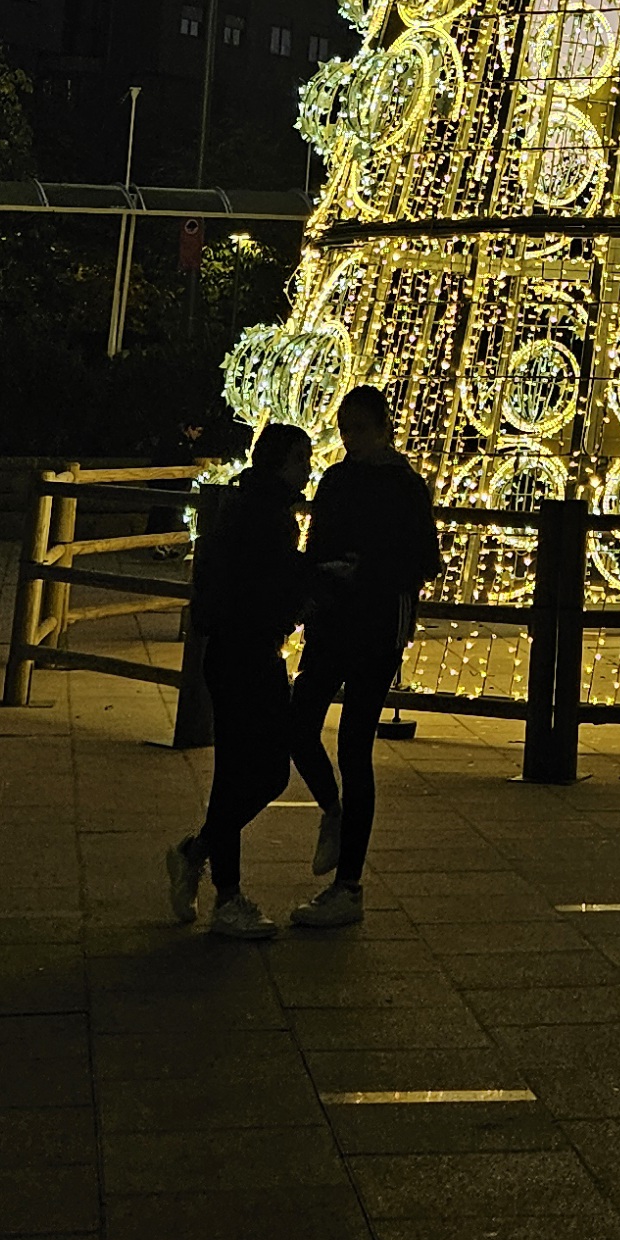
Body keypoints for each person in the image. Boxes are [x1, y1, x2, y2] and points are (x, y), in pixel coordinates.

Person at [286, 383, 442, 932]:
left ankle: (348, 883)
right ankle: (334, 811)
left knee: (356, 745)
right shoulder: (337, 479)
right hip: (333, 621)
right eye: (345, 427)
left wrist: (366, 571)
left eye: (359, 427)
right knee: (298, 721)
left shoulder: (403, 486)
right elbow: (317, 543)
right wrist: (317, 584)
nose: (350, 438)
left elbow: (425, 558)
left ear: (382, 429)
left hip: (377, 626)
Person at [165, 419, 310, 939]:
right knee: (260, 770)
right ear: (279, 463)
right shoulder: (266, 516)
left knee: (246, 770)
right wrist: (308, 583)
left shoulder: (247, 508)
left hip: (238, 650)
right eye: (300, 459)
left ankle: (204, 861)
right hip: (247, 650)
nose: (307, 469)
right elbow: (267, 585)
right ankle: (222, 888)